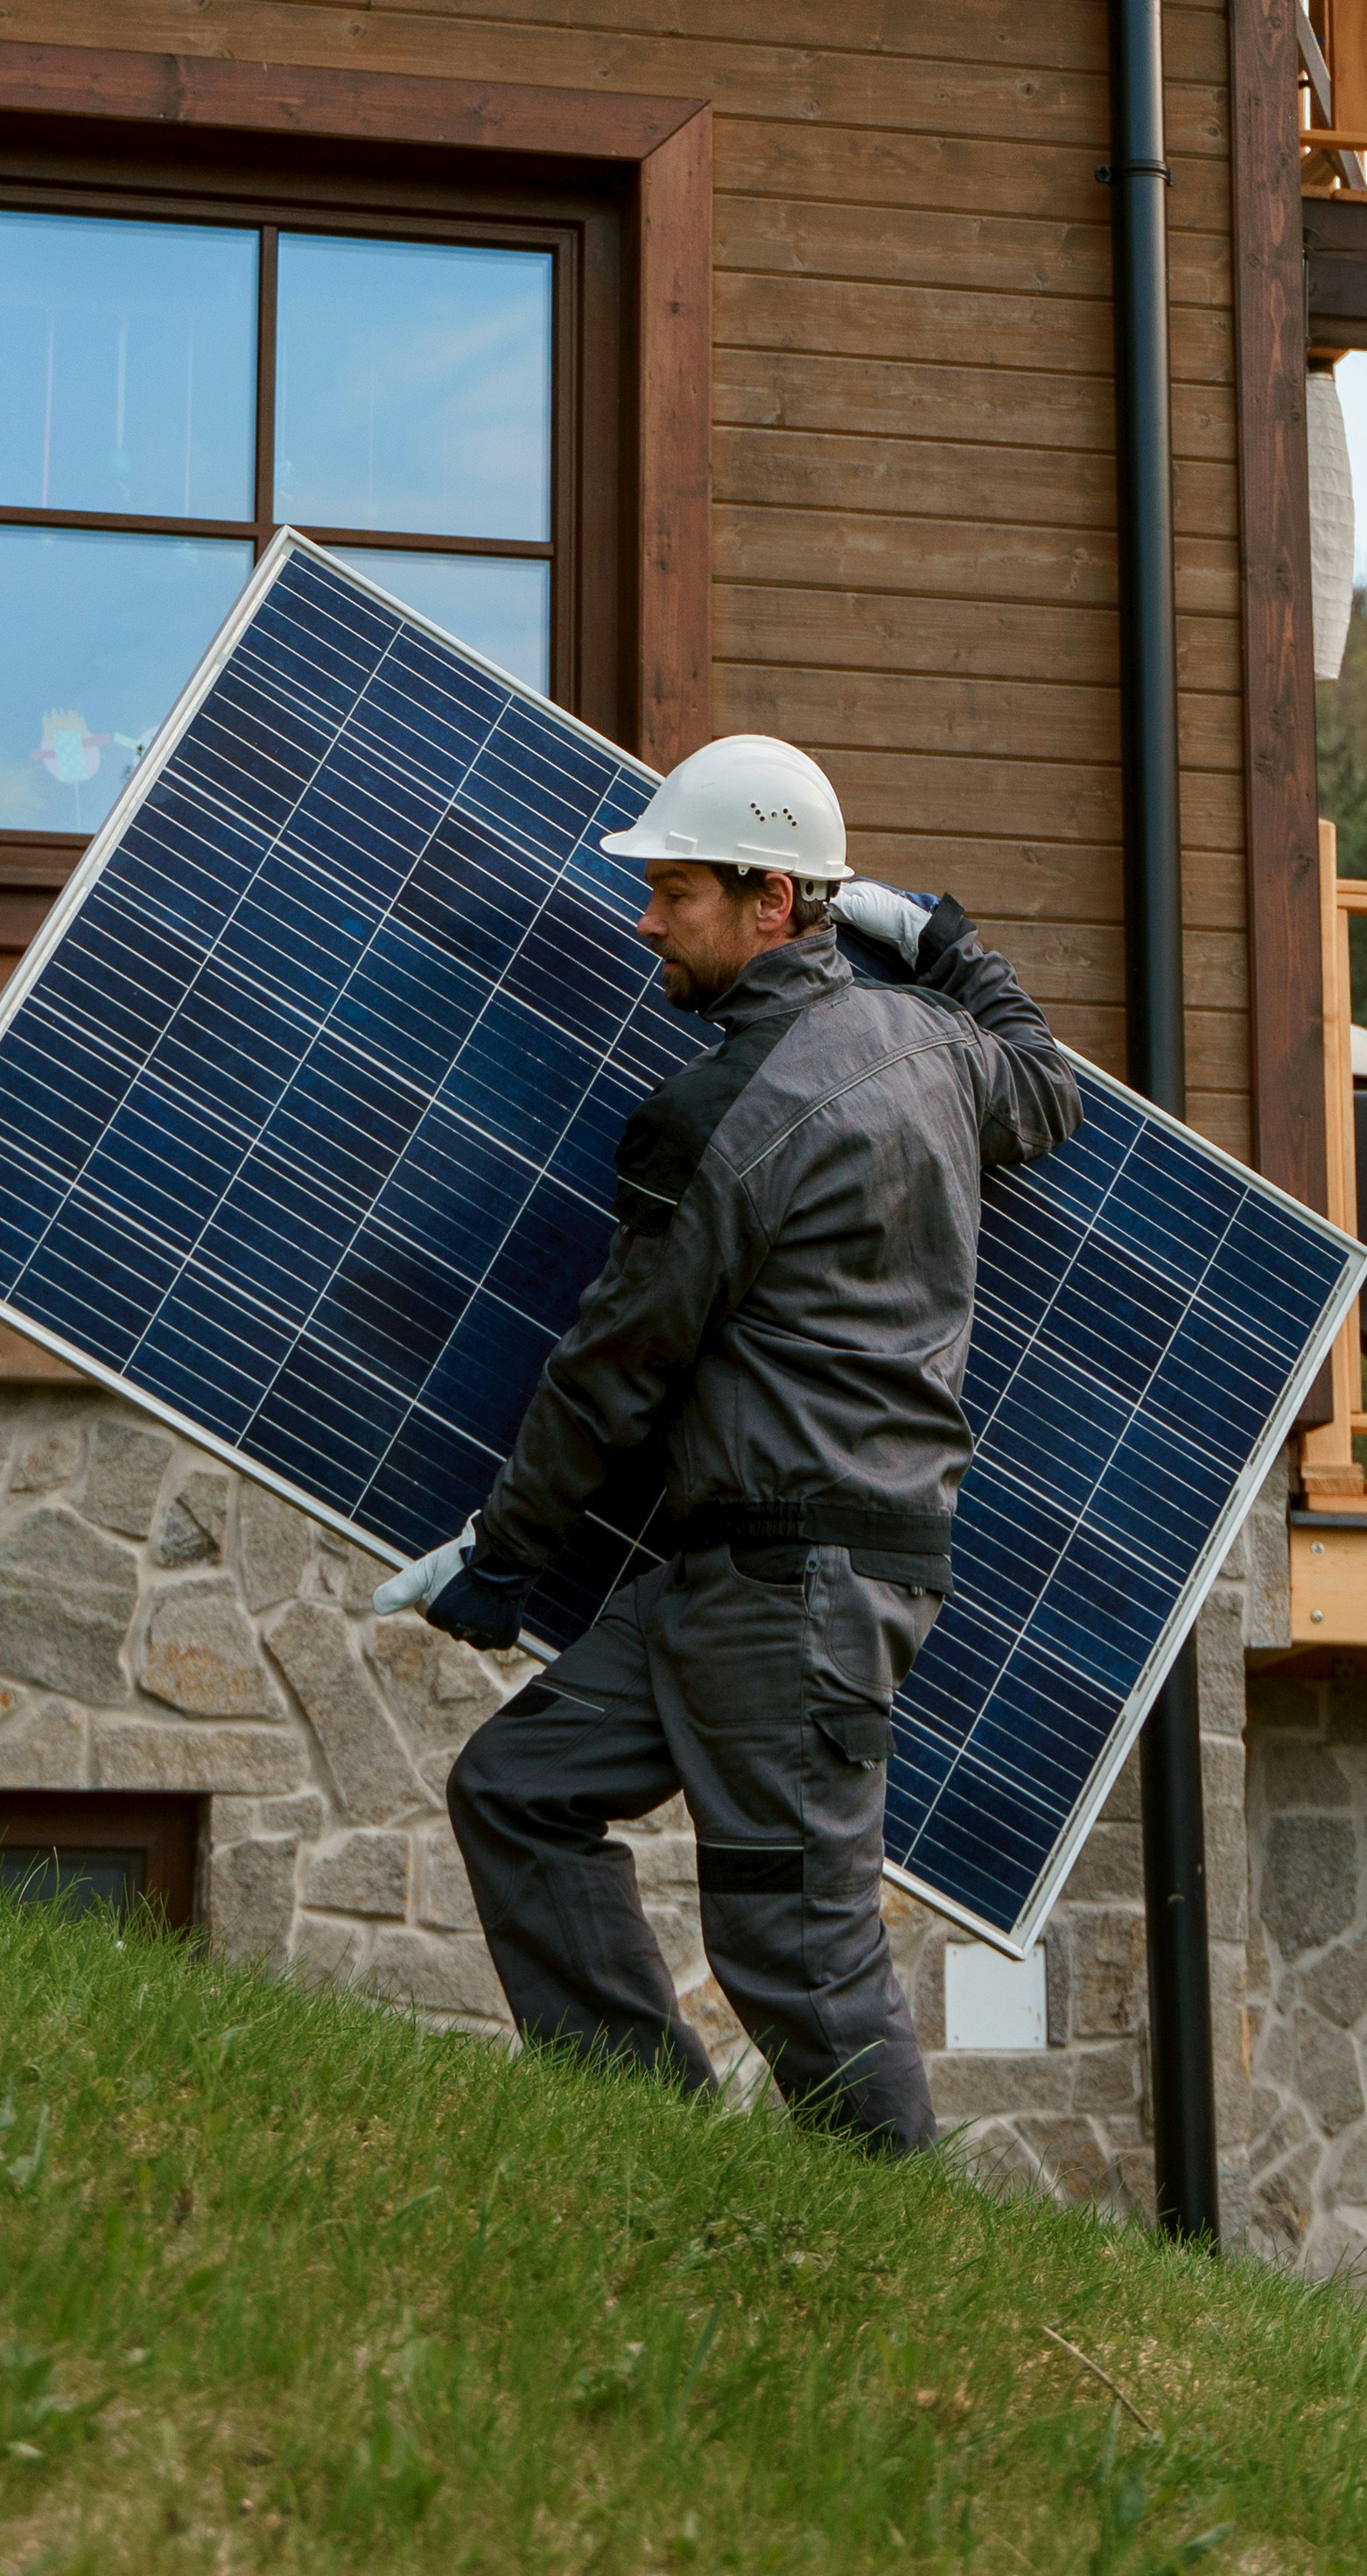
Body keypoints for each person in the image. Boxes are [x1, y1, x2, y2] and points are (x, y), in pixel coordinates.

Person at [363, 730, 1078, 2148]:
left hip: (791, 1585)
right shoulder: (936, 1045)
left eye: (674, 892)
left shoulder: (714, 1115)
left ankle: (898, 2251)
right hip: (735, 1574)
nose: (645, 921)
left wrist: (504, 1556)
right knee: (516, 1790)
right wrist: (947, 944)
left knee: (798, 1953)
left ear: (770, 902)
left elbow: (615, 1364)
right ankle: (658, 2141)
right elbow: (1044, 1085)